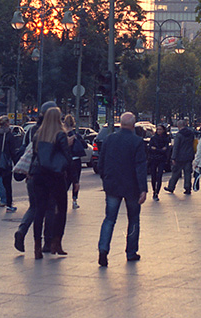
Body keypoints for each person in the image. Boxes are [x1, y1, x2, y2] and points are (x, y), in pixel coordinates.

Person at [97, 112, 147, 267]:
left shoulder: (109, 139)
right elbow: (140, 166)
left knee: (109, 219)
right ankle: (131, 252)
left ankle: (103, 249)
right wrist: (143, 189)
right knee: (133, 219)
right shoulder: (137, 141)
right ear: (133, 125)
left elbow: (101, 162)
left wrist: (105, 178)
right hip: (131, 186)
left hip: (112, 185)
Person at [13, 101, 56, 254]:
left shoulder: (32, 130)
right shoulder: (56, 131)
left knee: (34, 207)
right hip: (49, 176)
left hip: (32, 174)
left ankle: (21, 231)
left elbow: (26, 151)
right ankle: (47, 242)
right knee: (51, 208)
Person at [29, 107, 71, 259]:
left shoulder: (38, 134)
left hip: (39, 175)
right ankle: (56, 242)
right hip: (56, 176)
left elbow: (34, 155)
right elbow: (67, 156)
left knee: (40, 210)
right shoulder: (60, 135)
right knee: (61, 209)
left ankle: (37, 247)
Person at [0, 116, 20, 213]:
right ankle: (9, 205)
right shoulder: (9, 135)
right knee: (7, 185)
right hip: (5, 163)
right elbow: (12, 151)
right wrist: (16, 164)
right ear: (7, 123)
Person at [164, 119, 195, 195]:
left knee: (175, 172)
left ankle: (171, 187)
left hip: (180, 157)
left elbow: (176, 147)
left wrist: (173, 157)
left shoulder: (179, 135)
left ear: (178, 126)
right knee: (187, 173)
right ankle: (187, 188)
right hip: (189, 156)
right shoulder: (191, 134)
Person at [64, 114, 86, 210]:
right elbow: (85, 145)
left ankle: (61, 199)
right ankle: (74, 200)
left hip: (66, 161)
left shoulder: (62, 135)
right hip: (76, 161)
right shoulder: (76, 135)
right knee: (76, 181)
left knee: (66, 181)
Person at [147, 124, 170, 201]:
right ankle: (154, 190)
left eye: (160, 129)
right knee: (153, 176)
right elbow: (150, 148)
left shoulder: (166, 138)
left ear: (163, 130)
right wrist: (160, 150)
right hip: (153, 159)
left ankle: (157, 192)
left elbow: (166, 149)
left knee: (159, 175)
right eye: (157, 129)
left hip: (161, 159)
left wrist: (156, 149)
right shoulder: (153, 138)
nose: (158, 131)